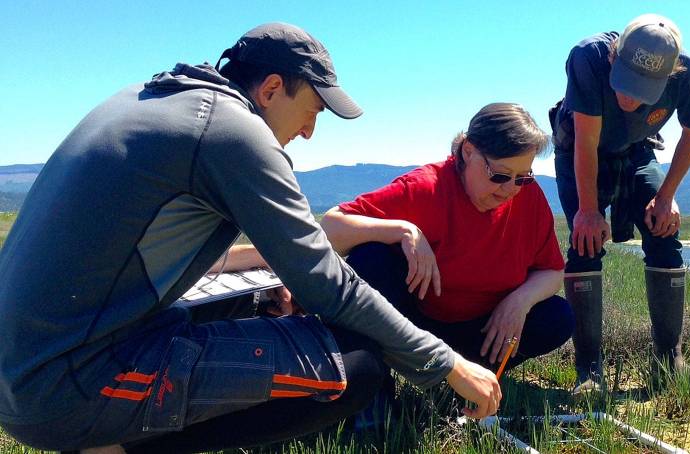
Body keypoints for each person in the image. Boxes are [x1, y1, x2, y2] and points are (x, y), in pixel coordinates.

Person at [0, 23, 500, 454]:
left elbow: (137, 255)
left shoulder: (151, 99)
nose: (308, 132)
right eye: (313, 110)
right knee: (355, 366)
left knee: (261, 300)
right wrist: (448, 364)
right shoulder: (230, 131)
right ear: (272, 88)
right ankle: (110, 443)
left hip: (26, 370)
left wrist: (269, 278)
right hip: (64, 388)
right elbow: (331, 288)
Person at [327, 103, 574, 373]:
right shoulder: (426, 189)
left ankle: (474, 377)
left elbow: (551, 270)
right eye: (500, 175)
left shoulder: (529, 198)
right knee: (371, 258)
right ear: (468, 152)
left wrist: (520, 301)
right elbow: (329, 227)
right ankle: (375, 385)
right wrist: (403, 230)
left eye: (522, 177)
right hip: (412, 327)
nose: (510, 189)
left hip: (482, 330)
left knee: (556, 317)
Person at [549, 14, 690, 393]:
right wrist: (589, 212)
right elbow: (587, 143)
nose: (627, 100)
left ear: (670, 74)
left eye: (641, 91)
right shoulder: (587, 58)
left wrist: (667, 196)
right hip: (581, 148)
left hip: (637, 150)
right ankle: (588, 372)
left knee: (665, 230)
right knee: (585, 241)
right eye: (623, 85)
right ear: (614, 56)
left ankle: (669, 363)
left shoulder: (687, 73)